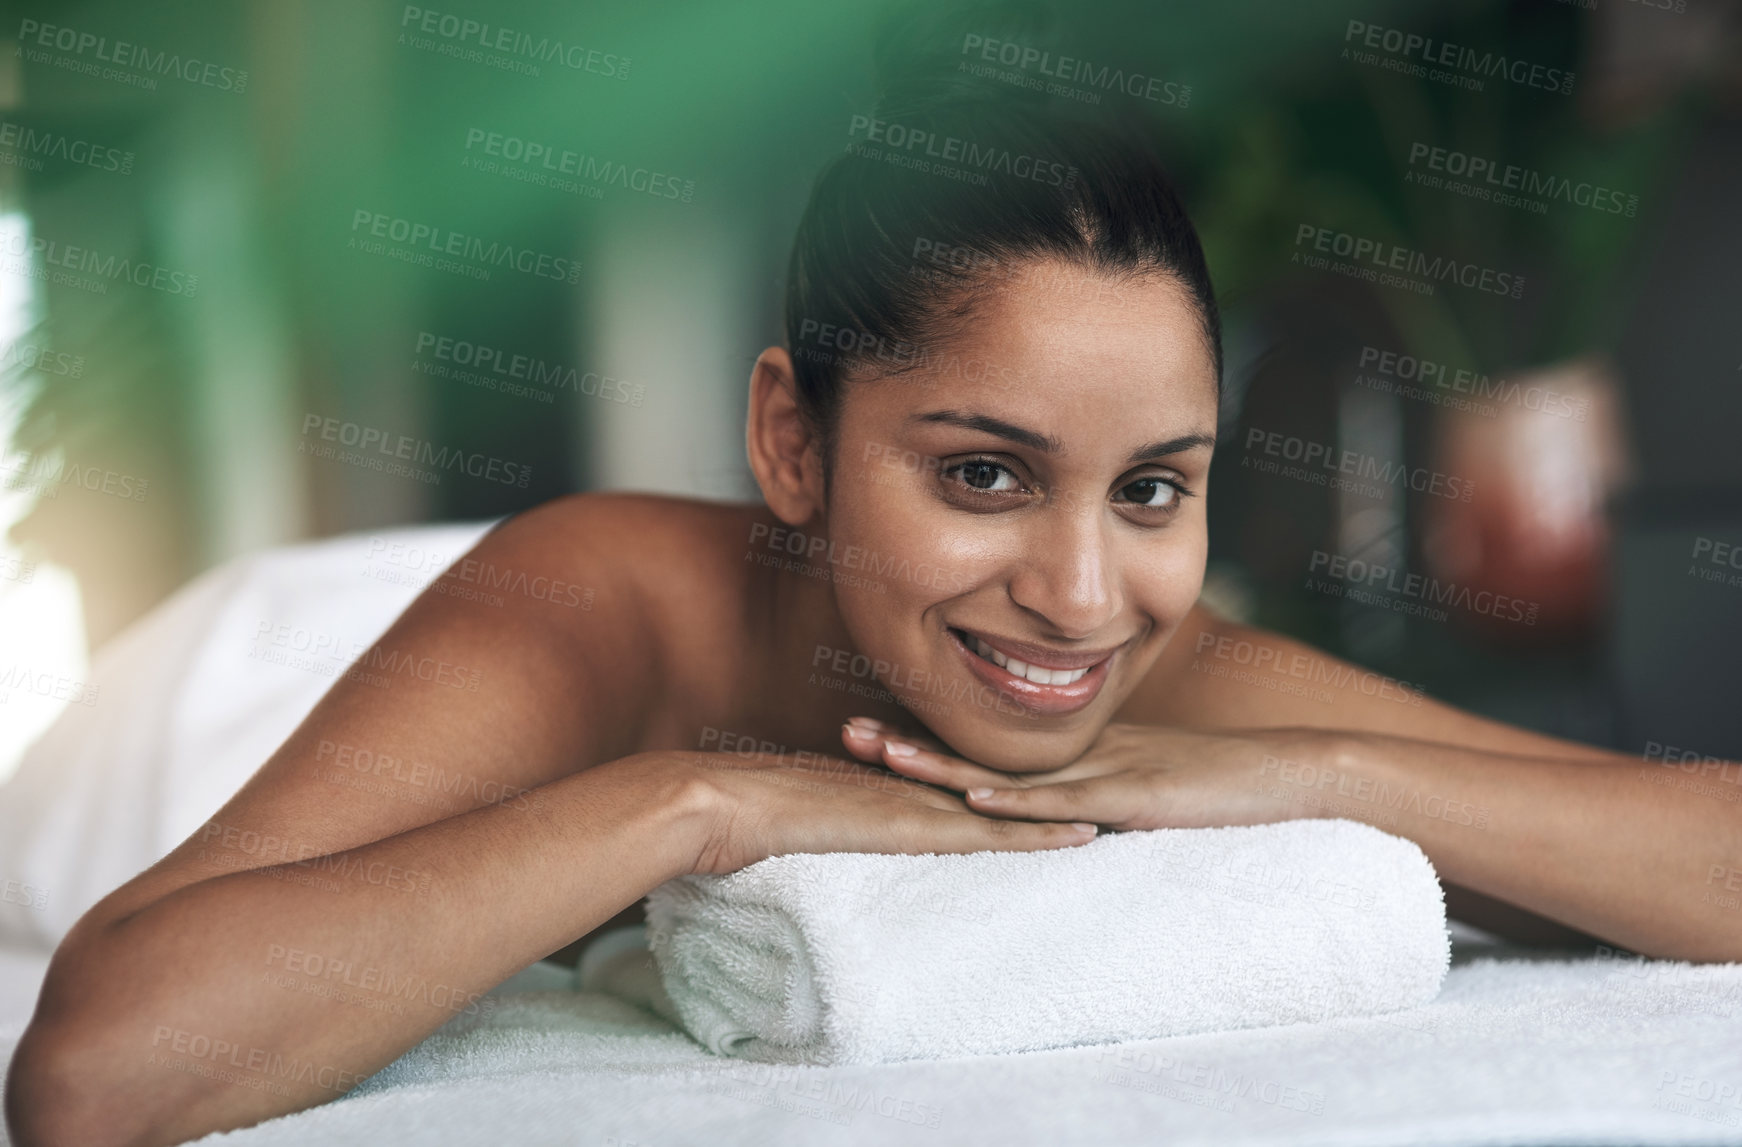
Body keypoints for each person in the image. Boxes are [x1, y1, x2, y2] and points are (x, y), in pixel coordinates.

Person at [8, 44, 1737, 1147]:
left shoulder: (1159, 663)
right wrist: (692, 799)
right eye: (980, 473)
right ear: (791, 437)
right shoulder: (604, 603)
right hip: (265, 701)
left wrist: (1326, 772)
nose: (1075, 595)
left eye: (1152, 489)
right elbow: (93, 1076)